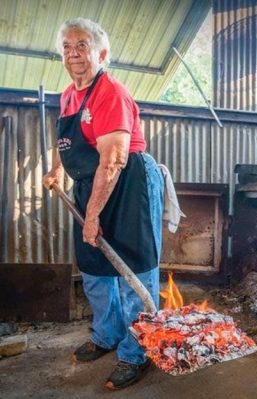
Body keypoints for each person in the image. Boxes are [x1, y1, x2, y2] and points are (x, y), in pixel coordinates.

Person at [43, 17, 163, 390]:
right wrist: (54, 170)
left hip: (126, 186)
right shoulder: (67, 95)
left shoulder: (110, 92)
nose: (73, 54)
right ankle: (107, 335)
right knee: (95, 269)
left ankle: (136, 352)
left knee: (132, 270)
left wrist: (92, 216)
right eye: (66, 46)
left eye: (82, 45)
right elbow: (67, 142)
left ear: (102, 53)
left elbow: (113, 161)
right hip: (88, 185)